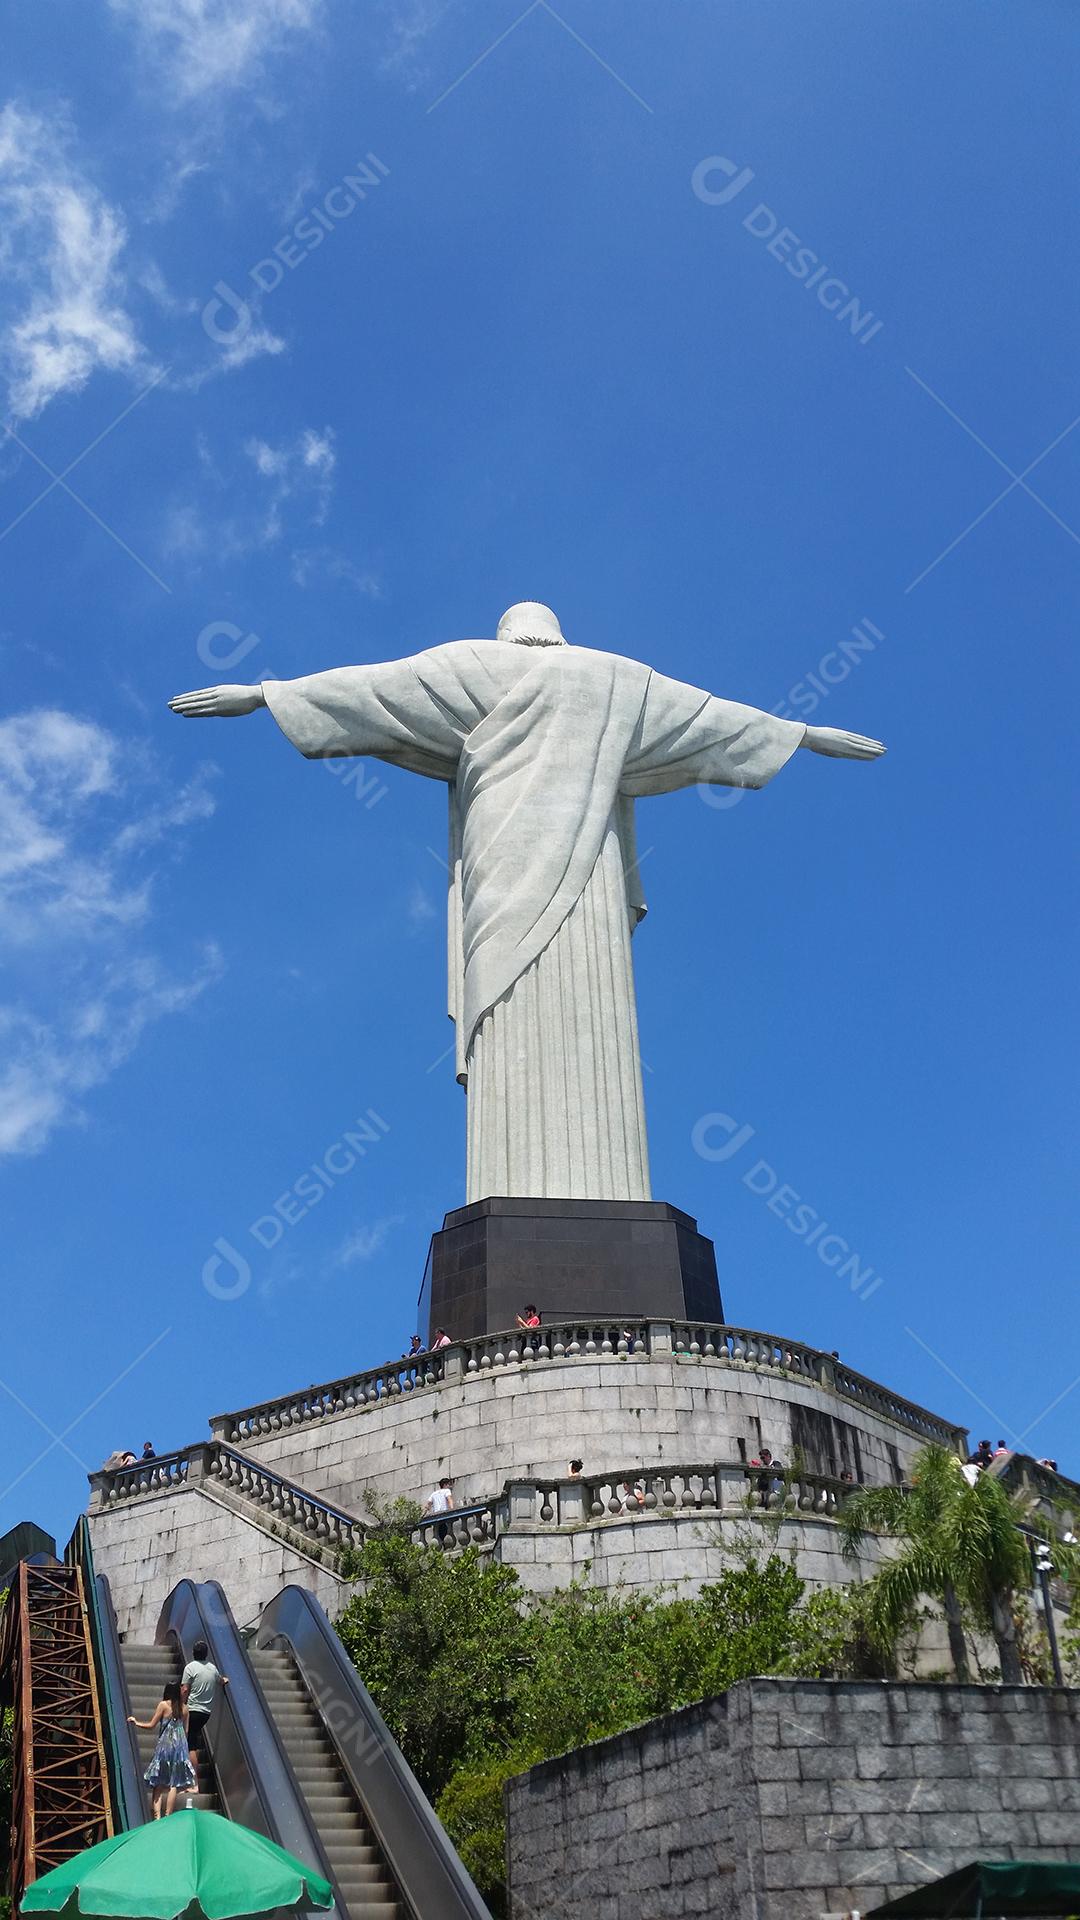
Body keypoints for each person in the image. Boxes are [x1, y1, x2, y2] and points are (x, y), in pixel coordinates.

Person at [129, 1680, 195, 1818]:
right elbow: (187, 1731)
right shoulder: (185, 1708)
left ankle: (157, 1817)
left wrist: (136, 1722)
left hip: (165, 1745)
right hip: (180, 1746)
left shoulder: (164, 1705)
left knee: (158, 1782)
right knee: (173, 1783)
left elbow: (151, 1725)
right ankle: (168, 1815)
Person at [181, 1638, 228, 1785]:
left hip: (192, 1710)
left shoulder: (190, 1667)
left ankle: (193, 1782)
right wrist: (224, 1680)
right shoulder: (212, 1668)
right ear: (206, 1654)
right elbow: (221, 1680)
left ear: (194, 1653)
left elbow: (184, 1689)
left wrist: (181, 1705)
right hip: (205, 1713)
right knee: (190, 1741)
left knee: (190, 1745)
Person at [423, 1477, 455, 1543]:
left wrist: (423, 1515)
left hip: (436, 1517)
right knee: (446, 1533)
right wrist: (452, 1511)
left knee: (439, 1534)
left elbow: (427, 1505)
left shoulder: (434, 1493)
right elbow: (449, 1499)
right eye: (449, 1484)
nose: (450, 1486)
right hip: (444, 1515)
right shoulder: (447, 1491)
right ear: (445, 1485)